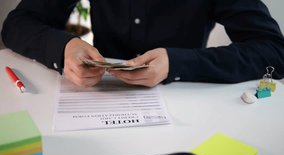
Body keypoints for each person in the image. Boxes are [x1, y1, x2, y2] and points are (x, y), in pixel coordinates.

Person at [2, 0, 284, 88]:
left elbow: (275, 51)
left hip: (187, 107)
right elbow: (16, 24)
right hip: (96, 99)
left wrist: (177, 63)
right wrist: (63, 48)